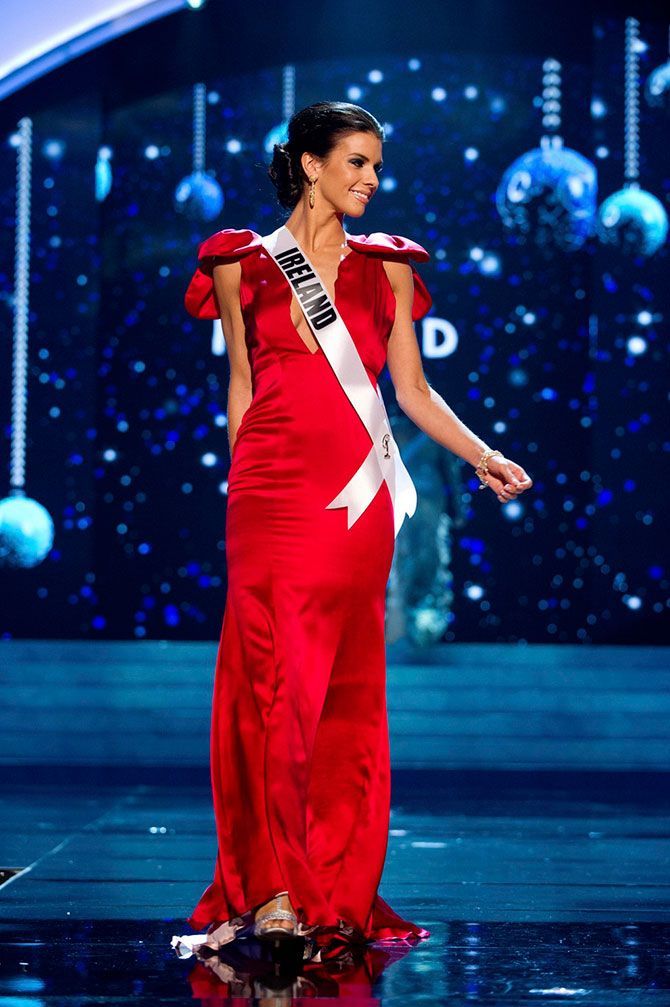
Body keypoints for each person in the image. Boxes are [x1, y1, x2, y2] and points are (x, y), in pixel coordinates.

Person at [172, 101, 533, 954]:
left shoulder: (389, 270)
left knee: (343, 698)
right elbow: (241, 386)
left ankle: (328, 880)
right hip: (265, 500)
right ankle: (271, 889)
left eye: (377, 165)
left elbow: (411, 391)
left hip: (355, 506)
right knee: (269, 692)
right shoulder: (239, 264)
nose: (372, 180)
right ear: (309, 164)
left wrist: (482, 454)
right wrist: (240, 483)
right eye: (357, 163)